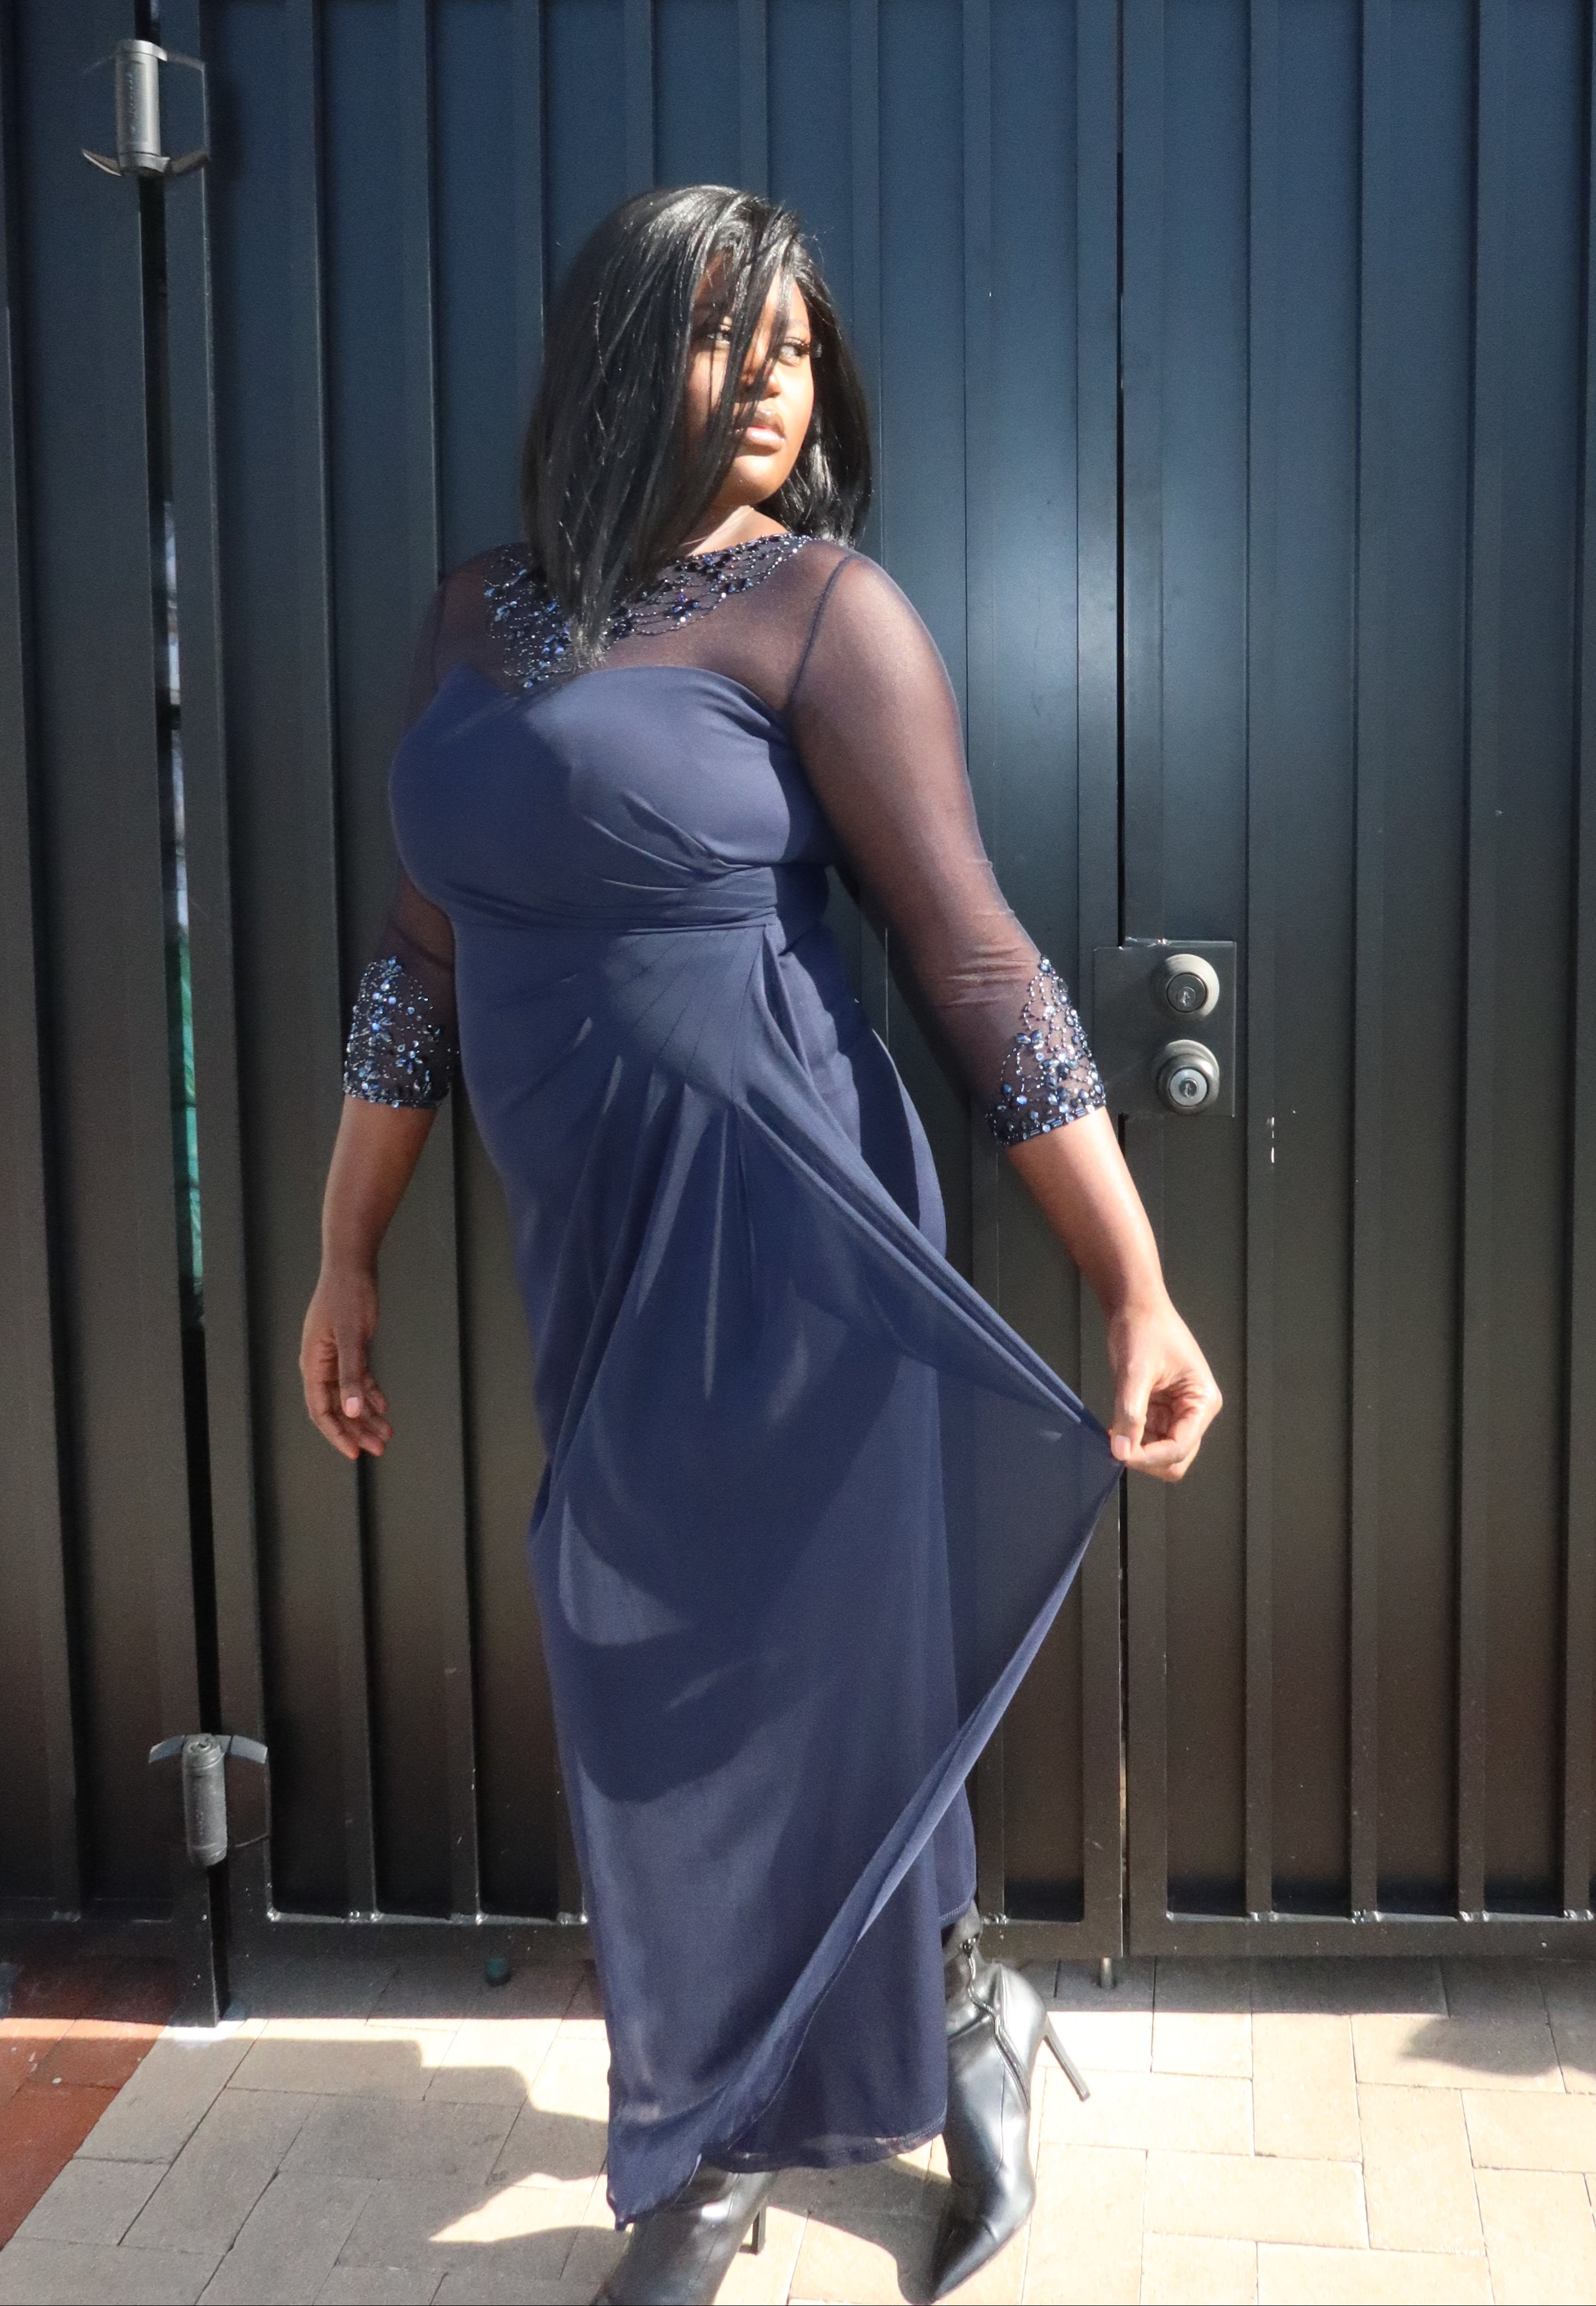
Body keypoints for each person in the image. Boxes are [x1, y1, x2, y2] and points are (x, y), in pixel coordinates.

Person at [301, 185, 1220, 2306]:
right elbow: (415, 966)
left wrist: (1133, 1279)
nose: (773, 378)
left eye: (799, 344)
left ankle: (706, 2147)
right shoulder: (473, 618)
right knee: (656, 1673)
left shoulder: (821, 612)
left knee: (799, 1680)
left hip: (802, 1238)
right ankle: (962, 2009)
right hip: (600, 1258)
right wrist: (347, 1248)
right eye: (730, 333)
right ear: (620, 350)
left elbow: (973, 961)